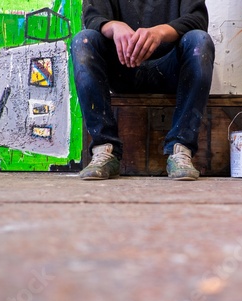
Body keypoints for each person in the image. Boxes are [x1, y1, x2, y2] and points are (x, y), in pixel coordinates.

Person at [71, 0, 215, 181]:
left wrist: (160, 31)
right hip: (122, 67)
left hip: (170, 69)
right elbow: (92, 18)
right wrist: (113, 26)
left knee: (200, 39)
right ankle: (104, 148)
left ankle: (181, 149)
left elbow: (197, 19)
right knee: (83, 40)